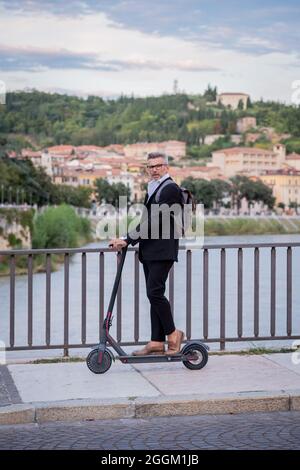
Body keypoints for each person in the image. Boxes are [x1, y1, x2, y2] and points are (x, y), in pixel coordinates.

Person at [109, 152, 184, 356]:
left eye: (158, 166)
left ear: (167, 167)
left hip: (162, 250)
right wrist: (126, 236)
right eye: (150, 166)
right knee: (155, 295)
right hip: (151, 250)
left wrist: (128, 239)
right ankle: (156, 341)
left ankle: (173, 334)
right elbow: (146, 221)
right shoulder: (154, 187)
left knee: (154, 293)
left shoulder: (169, 189)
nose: (154, 169)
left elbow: (156, 221)